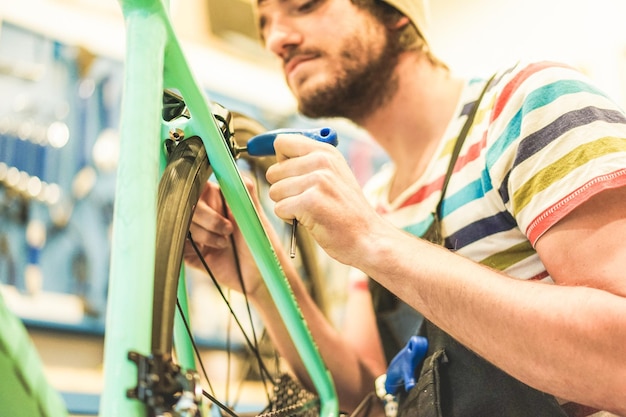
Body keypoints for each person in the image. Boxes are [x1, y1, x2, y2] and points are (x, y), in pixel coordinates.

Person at [184, 0, 626, 415]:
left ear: (395, 12)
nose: (276, 38)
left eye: (305, 4)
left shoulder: (529, 104)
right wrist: (263, 278)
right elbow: (369, 394)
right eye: (264, 24)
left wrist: (373, 240)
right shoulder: (378, 198)